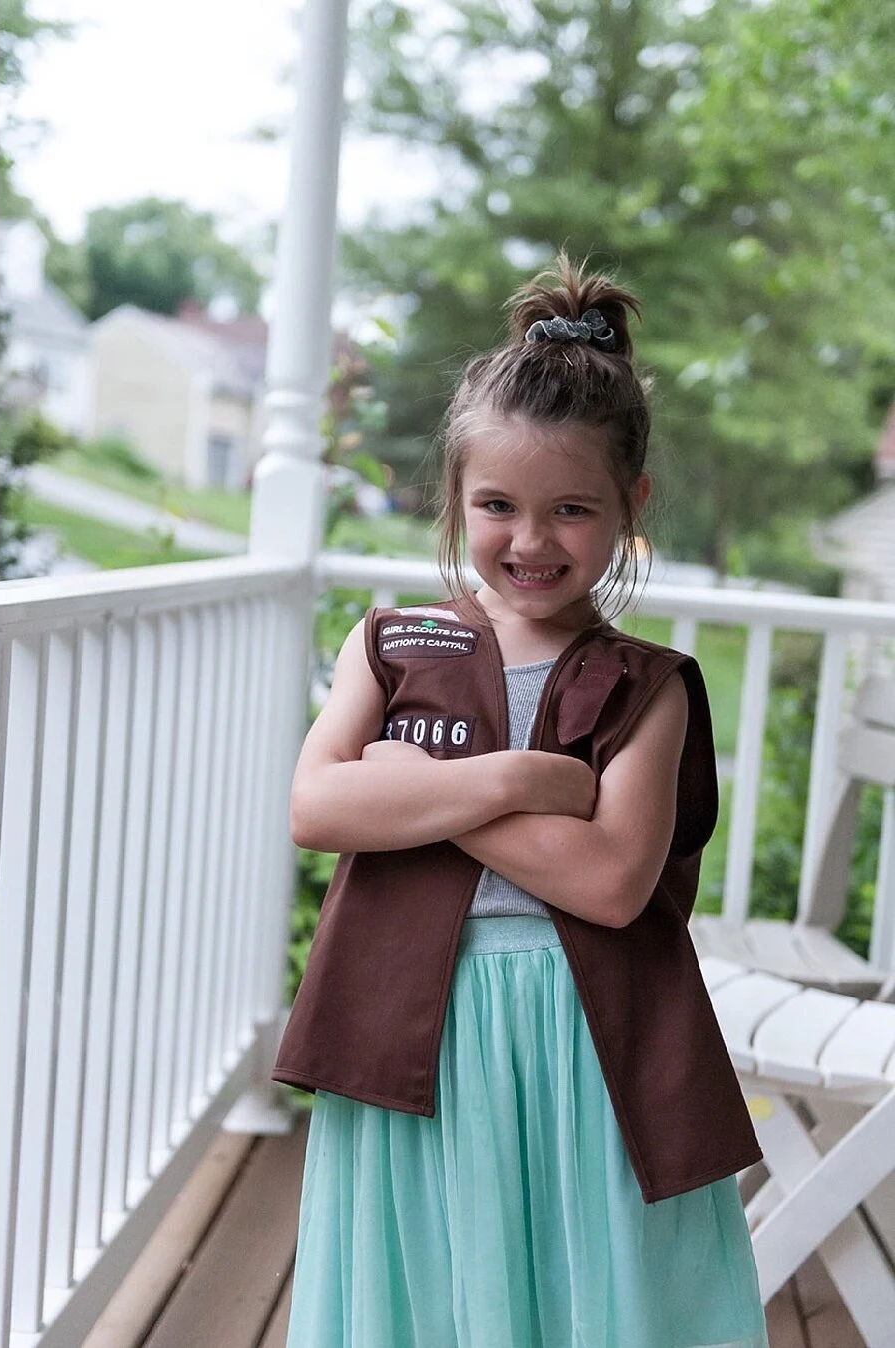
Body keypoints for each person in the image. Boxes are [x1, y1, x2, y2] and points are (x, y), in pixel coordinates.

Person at [273, 257, 768, 1347]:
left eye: (571, 510)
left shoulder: (649, 687)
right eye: (497, 505)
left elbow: (611, 881)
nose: (531, 541)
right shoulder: (392, 644)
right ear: (456, 497)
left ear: (630, 506)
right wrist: (514, 779)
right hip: (410, 1025)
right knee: (434, 1286)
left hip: (584, 1039)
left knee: (573, 1284)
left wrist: (416, 793)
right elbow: (316, 808)